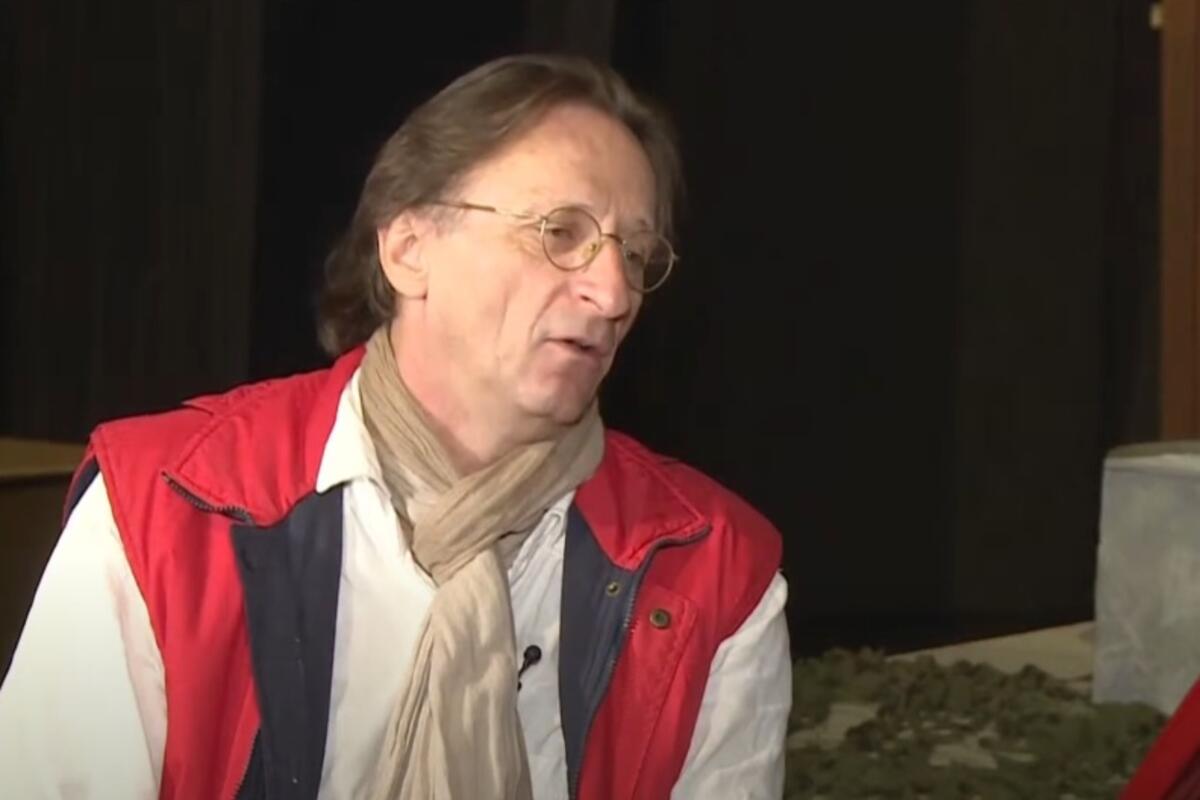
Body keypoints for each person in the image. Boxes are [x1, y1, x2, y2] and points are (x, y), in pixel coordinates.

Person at [0, 54, 790, 799]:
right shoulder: (167, 505)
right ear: (409, 249)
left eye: (637, 256)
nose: (613, 294)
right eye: (561, 233)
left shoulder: (713, 569)